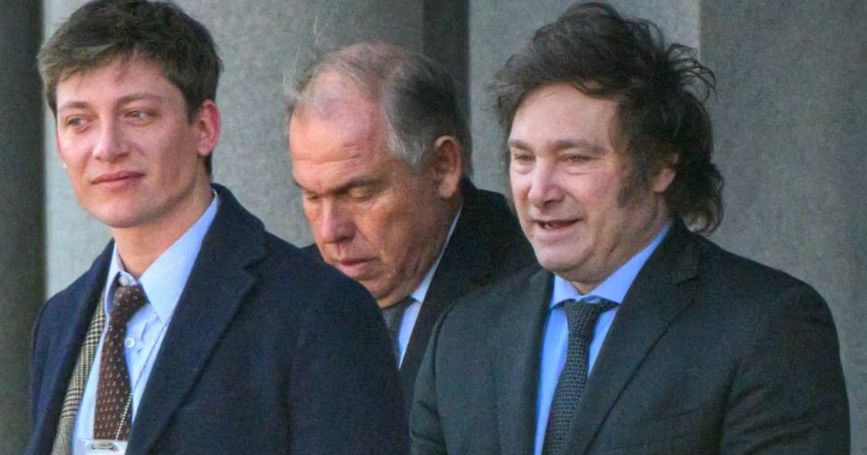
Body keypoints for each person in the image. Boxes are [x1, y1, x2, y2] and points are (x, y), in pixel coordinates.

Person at [410, 3, 850, 454]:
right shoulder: (462, 337)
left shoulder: (766, 327)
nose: (538, 191)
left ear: (660, 165)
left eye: (574, 158)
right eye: (523, 158)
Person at [28, 1, 406, 454]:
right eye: (79, 121)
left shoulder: (319, 311)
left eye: (137, 114)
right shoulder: (59, 321)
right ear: (59, 144)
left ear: (204, 128)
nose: (106, 147)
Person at [287, 42, 535, 414]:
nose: (330, 231)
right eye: (312, 196)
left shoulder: (533, 288)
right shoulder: (285, 295)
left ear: (442, 167)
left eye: (359, 193)